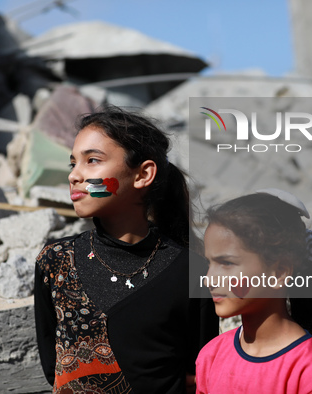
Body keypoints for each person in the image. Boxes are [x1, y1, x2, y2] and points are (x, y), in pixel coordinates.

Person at [34, 105, 218, 393]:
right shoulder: (55, 262)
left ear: (143, 174)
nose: (74, 176)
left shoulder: (191, 271)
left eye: (92, 160)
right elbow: (52, 367)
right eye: (73, 163)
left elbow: (200, 373)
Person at [196, 191, 312, 394]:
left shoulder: (311, 373)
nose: (208, 278)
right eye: (209, 263)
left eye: (226, 263)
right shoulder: (211, 356)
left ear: (278, 272)